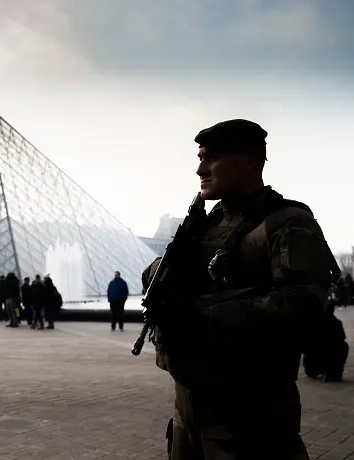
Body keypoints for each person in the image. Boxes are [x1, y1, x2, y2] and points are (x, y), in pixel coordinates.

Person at [141, 119, 339, 459]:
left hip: (251, 415)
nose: (200, 168)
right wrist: (161, 275)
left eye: (212, 157)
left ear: (251, 160)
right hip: (188, 408)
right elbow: (158, 276)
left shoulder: (289, 223)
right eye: (200, 157)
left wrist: (201, 317)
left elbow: (303, 304)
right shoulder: (204, 225)